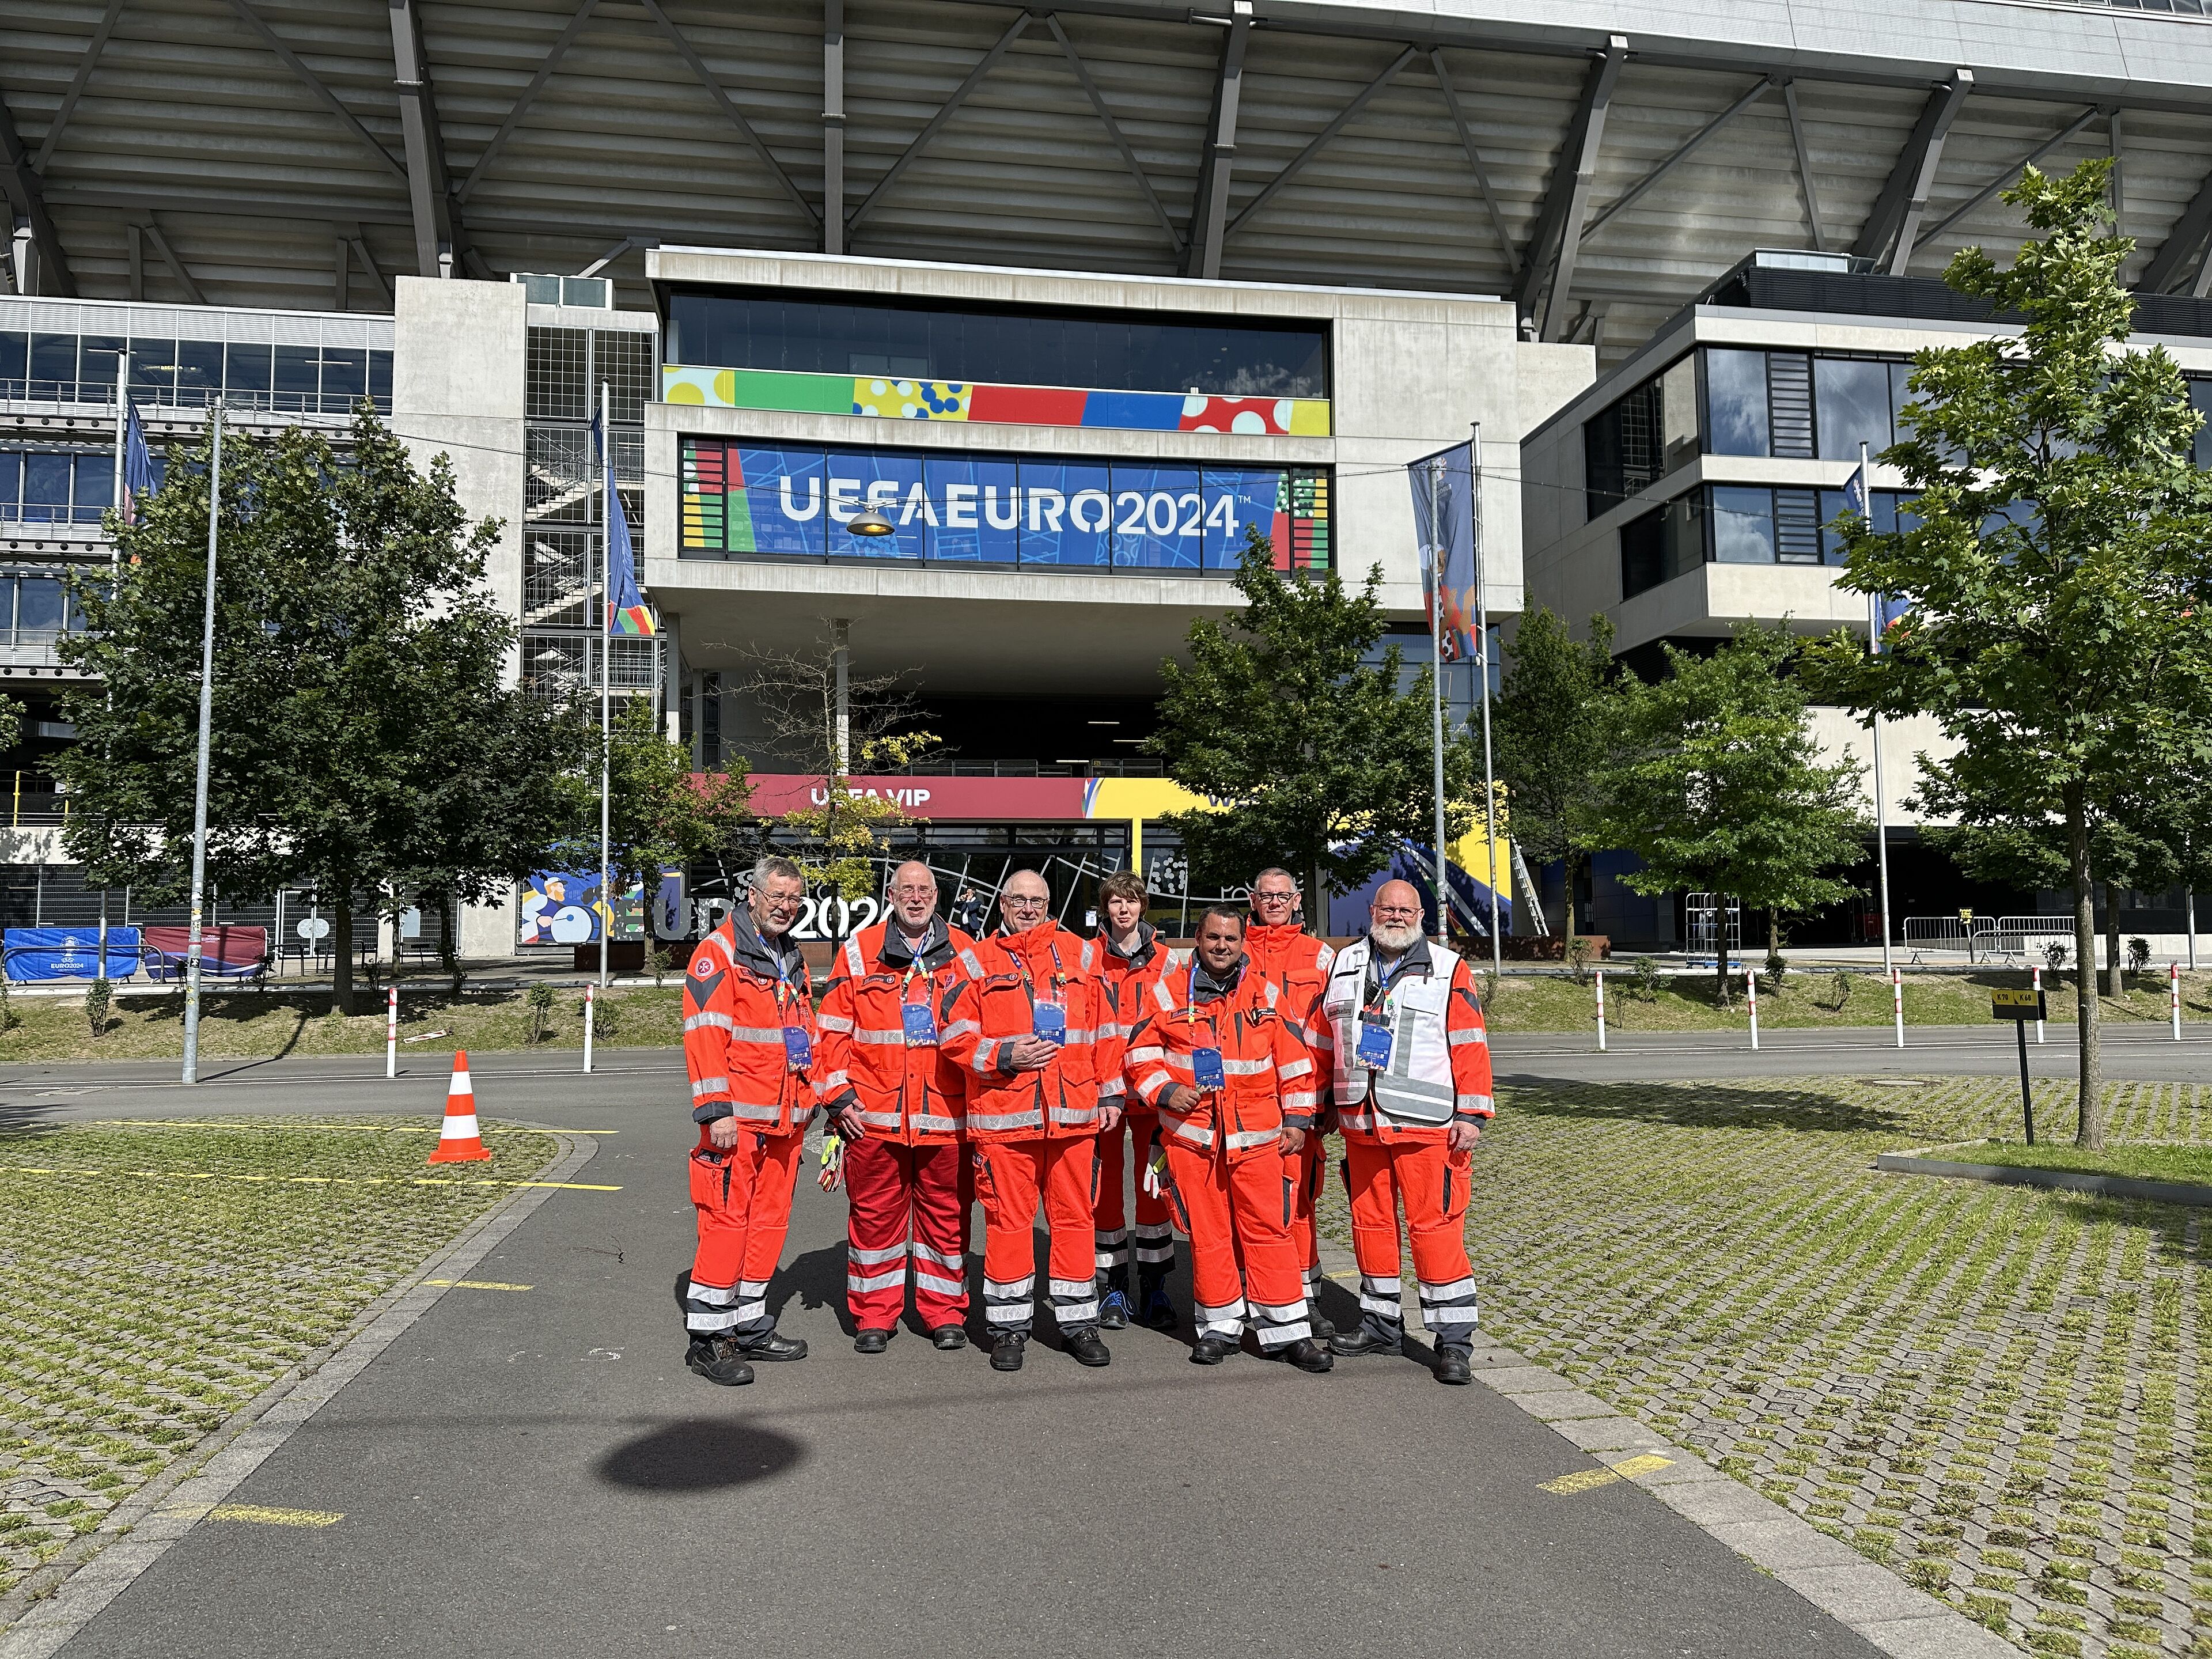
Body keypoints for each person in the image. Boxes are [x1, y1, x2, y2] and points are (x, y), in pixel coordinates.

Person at [1123, 906, 1331, 1372]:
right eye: (1214, 937)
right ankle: (1219, 1328)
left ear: (1242, 943)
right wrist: (1166, 1091)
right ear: (1198, 939)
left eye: (1231, 939)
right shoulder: (1167, 992)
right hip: (1193, 1140)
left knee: (1270, 1233)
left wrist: (1298, 1121)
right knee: (1210, 1237)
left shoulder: (1266, 995)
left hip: (1258, 1140)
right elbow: (1138, 1054)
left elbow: (1295, 1062)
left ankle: (1288, 1332)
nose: (1222, 946)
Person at [1314, 878, 1494, 1385]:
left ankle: (1453, 1342)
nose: (1395, 916)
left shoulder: (1449, 968)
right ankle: (1380, 1325)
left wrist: (1472, 1113)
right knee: (1370, 1227)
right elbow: (1325, 1040)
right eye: (1387, 908)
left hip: (1428, 1128)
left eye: (1405, 910)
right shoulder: (1344, 963)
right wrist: (1320, 1102)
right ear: (1372, 910)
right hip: (1361, 1122)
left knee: (1435, 1231)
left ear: (1420, 916)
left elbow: (1469, 1042)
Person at [940, 870, 1118, 1373]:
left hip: (1074, 1118)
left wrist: (1110, 1092)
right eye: (1018, 900)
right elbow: (952, 1035)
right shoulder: (974, 962)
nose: (1028, 909)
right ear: (1002, 905)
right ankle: (1008, 1327)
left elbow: (1106, 1030)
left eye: (1037, 901)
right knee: (1008, 1225)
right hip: (1004, 1119)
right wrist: (1004, 1055)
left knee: (1076, 1221)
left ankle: (1079, 1324)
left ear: (1048, 905)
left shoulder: (1083, 955)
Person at [815, 860, 984, 1355]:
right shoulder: (859, 951)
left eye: (924, 890)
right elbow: (831, 1032)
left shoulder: (966, 951)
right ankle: (874, 1315)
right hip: (872, 1119)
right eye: (906, 889)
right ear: (891, 896)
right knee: (874, 1220)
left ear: (937, 896)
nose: (916, 898)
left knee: (948, 1221)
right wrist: (838, 1097)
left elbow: (987, 1029)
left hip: (948, 1118)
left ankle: (945, 1314)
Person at [680, 854, 819, 1387]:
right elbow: (705, 1034)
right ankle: (709, 1341)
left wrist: (814, 1096)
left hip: (786, 1121)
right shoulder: (718, 953)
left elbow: (802, 1032)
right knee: (725, 1224)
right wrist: (717, 1110)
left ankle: (749, 1327)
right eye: (777, 896)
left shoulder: (789, 955)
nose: (786, 906)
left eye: (794, 898)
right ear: (753, 896)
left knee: (768, 1225)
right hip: (736, 1122)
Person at [1243, 866, 1336, 1338]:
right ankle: (1250, 1294)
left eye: (1283, 895)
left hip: (1304, 1103)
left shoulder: (1320, 956)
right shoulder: (1233, 948)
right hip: (1246, 1102)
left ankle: (1303, 1298)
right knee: (1246, 1202)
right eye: (1266, 896)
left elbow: (1336, 1031)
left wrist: (1330, 1097)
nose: (1275, 903)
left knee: (1298, 1205)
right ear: (1253, 901)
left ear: (1297, 900)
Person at [1090, 868, 1180, 1331]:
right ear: (1105, 908)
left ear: (1143, 906)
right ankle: (1114, 1286)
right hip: (1101, 1092)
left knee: (1153, 1188)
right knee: (1104, 1191)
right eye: (1115, 901)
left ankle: (1155, 1285)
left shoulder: (1168, 961)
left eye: (1131, 900)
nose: (1123, 908)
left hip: (1153, 1092)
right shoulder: (1086, 958)